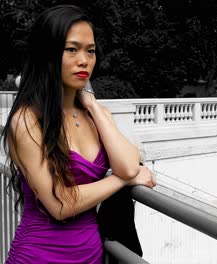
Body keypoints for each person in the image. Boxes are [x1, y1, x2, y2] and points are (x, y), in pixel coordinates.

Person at [1, 5, 156, 263]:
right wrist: (121, 181)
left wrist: (93, 104)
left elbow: (129, 166)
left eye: (90, 51)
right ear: (48, 54)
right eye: (71, 49)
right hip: (38, 256)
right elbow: (60, 204)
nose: (84, 60)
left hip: (90, 255)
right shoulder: (26, 120)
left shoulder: (95, 114)